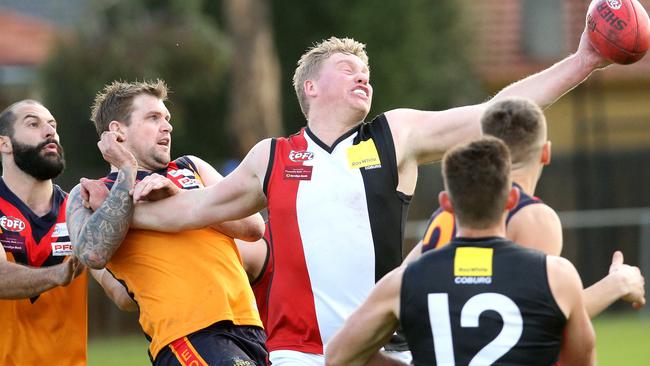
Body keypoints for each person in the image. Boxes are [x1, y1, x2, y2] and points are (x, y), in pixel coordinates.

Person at [125, 30, 613, 365]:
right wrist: (123, 201)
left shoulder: (396, 134)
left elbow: (496, 112)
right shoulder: (271, 156)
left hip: (385, 349)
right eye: (348, 68)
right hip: (297, 353)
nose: (364, 76)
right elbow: (192, 211)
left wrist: (585, 58)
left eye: (367, 71)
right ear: (311, 87)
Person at [326, 137, 596, 366]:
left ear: (446, 204)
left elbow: (338, 356)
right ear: (512, 199)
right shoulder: (557, 275)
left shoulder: (404, 281)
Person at [66, 80, 268, 365]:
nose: (167, 126)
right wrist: (127, 172)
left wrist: (182, 198)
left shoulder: (191, 167)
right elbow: (92, 252)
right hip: (188, 333)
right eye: (153, 118)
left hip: (249, 324)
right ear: (117, 131)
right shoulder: (91, 191)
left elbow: (252, 227)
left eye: (167, 118)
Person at [404, 97, 646, 316]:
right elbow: (540, 316)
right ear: (546, 153)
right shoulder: (532, 217)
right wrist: (617, 283)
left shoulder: (447, 210)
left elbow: (402, 285)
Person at [0, 100, 133, 365]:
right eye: (33, 124)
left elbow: (122, 295)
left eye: (53, 125)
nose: (49, 131)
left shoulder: (79, 211)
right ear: (4, 143)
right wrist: (58, 274)